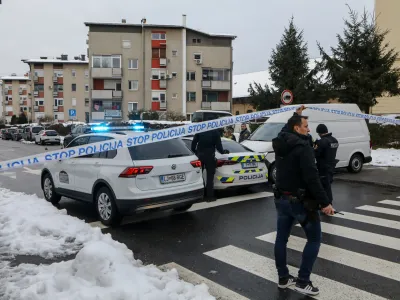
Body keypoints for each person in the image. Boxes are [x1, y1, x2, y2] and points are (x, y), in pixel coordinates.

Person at [272, 109, 335, 296]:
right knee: (314, 239)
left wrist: (295, 113)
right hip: (300, 202)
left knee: (281, 239)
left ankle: (283, 278)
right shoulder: (303, 148)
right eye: (306, 127)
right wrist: (325, 203)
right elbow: (312, 178)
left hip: (281, 199)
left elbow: (286, 128)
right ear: (297, 128)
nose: (309, 130)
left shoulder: (281, 141)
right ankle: (303, 280)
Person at [191, 117, 225, 202]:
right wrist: (223, 152)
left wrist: (195, 152)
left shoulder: (200, 131)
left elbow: (193, 143)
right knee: (210, 177)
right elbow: (219, 147)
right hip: (210, 156)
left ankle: (200, 195)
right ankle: (209, 196)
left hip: (200, 156)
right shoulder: (215, 132)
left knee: (199, 176)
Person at [314, 124, 339, 204]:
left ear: (320, 133)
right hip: (331, 166)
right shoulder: (334, 140)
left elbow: (316, 154)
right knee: (327, 184)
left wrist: (314, 147)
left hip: (323, 167)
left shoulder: (322, 141)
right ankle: (327, 203)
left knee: (324, 186)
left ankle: (327, 203)